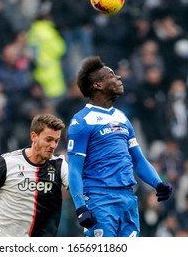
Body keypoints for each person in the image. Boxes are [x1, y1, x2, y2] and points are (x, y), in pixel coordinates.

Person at [66, 56, 173, 237]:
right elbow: (74, 169)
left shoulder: (122, 117)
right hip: (100, 200)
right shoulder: (82, 120)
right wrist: (80, 208)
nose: (119, 78)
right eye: (112, 75)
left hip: (128, 199)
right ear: (98, 85)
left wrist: (158, 183)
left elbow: (138, 160)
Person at [0, 113, 68, 237]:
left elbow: (81, 190)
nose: (53, 145)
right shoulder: (8, 162)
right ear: (34, 136)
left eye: (56, 141)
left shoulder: (59, 166)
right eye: (48, 140)